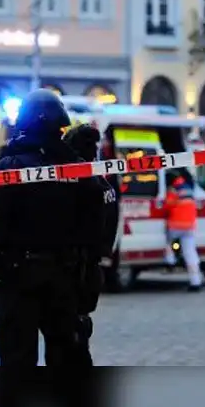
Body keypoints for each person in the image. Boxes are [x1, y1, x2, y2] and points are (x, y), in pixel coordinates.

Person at [0, 89, 106, 367]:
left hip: (20, 278)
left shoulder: (12, 167)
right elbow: (100, 216)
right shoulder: (79, 169)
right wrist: (88, 263)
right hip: (66, 279)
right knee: (67, 357)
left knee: (17, 358)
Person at [62, 124, 119, 366]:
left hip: (73, 269)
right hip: (91, 270)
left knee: (68, 341)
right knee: (79, 335)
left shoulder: (76, 185)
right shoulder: (103, 185)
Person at [163, 172, 204, 291]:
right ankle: (195, 282)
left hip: (176, 225)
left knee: (166, 240)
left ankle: (170, 261)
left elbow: (167, 206)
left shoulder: (174, 190)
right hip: (190, 226)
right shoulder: (188, 189)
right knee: (190, 253)